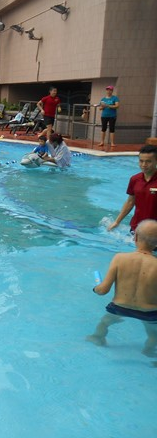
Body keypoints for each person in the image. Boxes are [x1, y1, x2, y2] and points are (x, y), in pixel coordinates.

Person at [86, 219, 157, 357]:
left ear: (135, 236)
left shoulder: (119, 258)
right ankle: (148, 351)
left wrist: (96, 288)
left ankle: (98, 338)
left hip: (120, 307)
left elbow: (103, 290)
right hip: (149, 312)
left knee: (104, 323)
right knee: (153, 335)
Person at [108, 145, 157, 233]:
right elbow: (130, 202)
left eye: (148, 161)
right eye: (141, 161)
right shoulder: (135, 179)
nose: (144, 165)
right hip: (136, 227)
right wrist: (117, 221)